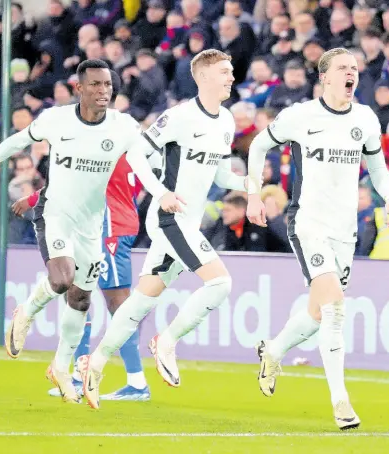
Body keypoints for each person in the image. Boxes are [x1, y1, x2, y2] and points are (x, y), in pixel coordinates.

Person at [0, 59, 181, 404]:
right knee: (62, 279)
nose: (103, 91)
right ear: (79, 88)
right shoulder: (56, 119)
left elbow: (139, 164)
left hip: (92, 222)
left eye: (107, 85)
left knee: (80, 298)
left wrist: (162, 193)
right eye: (95, 85)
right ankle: (27, 311)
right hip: (55, 211)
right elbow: (17, 141)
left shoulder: (123, 126)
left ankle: (62, 367)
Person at [76, 49, 248, 410]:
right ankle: (166, 341)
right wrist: (161, 192)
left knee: (140, 301)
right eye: (224, 72)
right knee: (220, 283)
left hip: (185, 220)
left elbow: (218, 174)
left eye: (231, 72)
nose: (231, 77)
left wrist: (248, 184)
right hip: (169, 219)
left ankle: (96, 363)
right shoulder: (180, 117)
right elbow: (136, 153)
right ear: (202, 77)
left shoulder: (227, 121)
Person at [245, 47, 389, 430]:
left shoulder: (365, 118)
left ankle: (274, 350)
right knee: (334, 309)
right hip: (308, 222)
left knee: (318, 314)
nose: (352, 74)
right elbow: (257, 144)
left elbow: (378, 168)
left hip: (344, 229)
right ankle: (341, 403)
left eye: (355, 68)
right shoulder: (301, 116)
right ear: (325, 77)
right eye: (344, 68)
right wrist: (253, 192)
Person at [11, 70, 155, 402]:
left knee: (117, 303)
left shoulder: (117, 140)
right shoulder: (119, 139)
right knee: (81, 297)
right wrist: (35, 199)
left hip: (112, 226)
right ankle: (76, 374)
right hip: (99, 224)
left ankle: (135, 382)